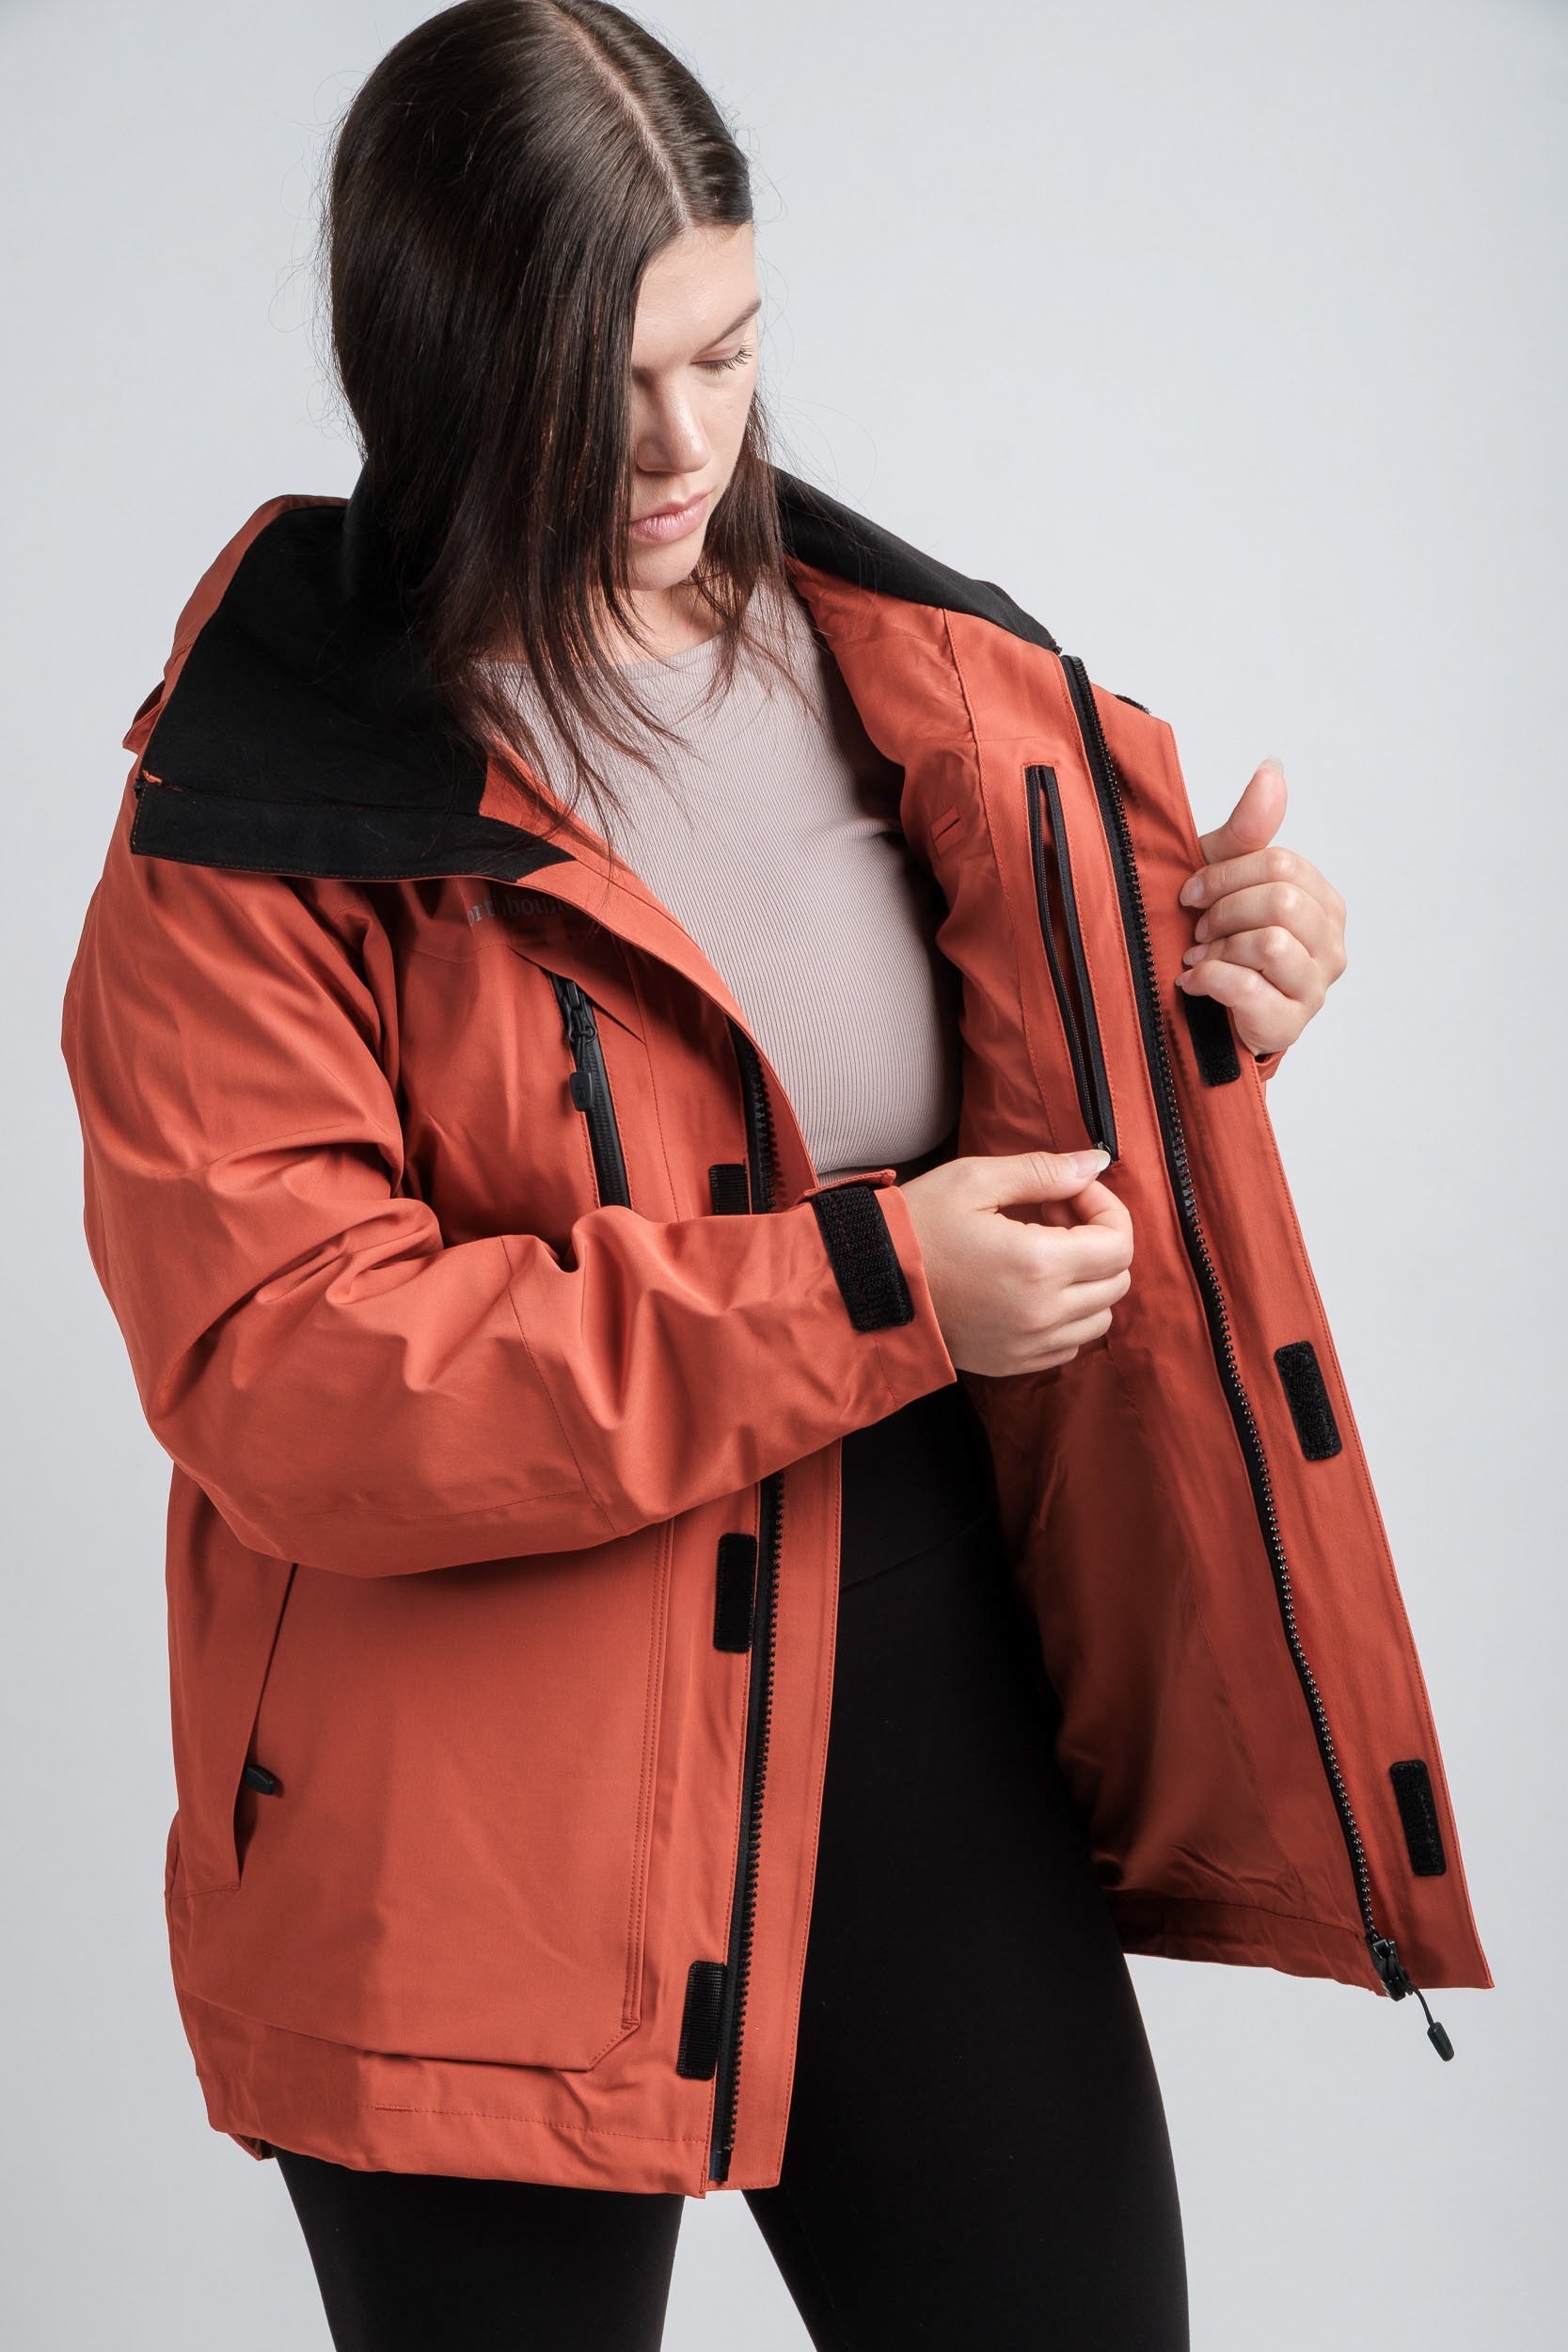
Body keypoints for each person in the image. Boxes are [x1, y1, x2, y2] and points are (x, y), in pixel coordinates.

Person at [59, 4, 1490, 2348]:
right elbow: (292, 1372)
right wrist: (874, 1288)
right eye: (601, 378)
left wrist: (1201, 1008)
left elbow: (959, 1116)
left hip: (921, 1715)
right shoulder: (259, 809)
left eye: (725, 352)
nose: (683, 442)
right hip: (468, 1817)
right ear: (435, 366)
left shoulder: (904, 668)